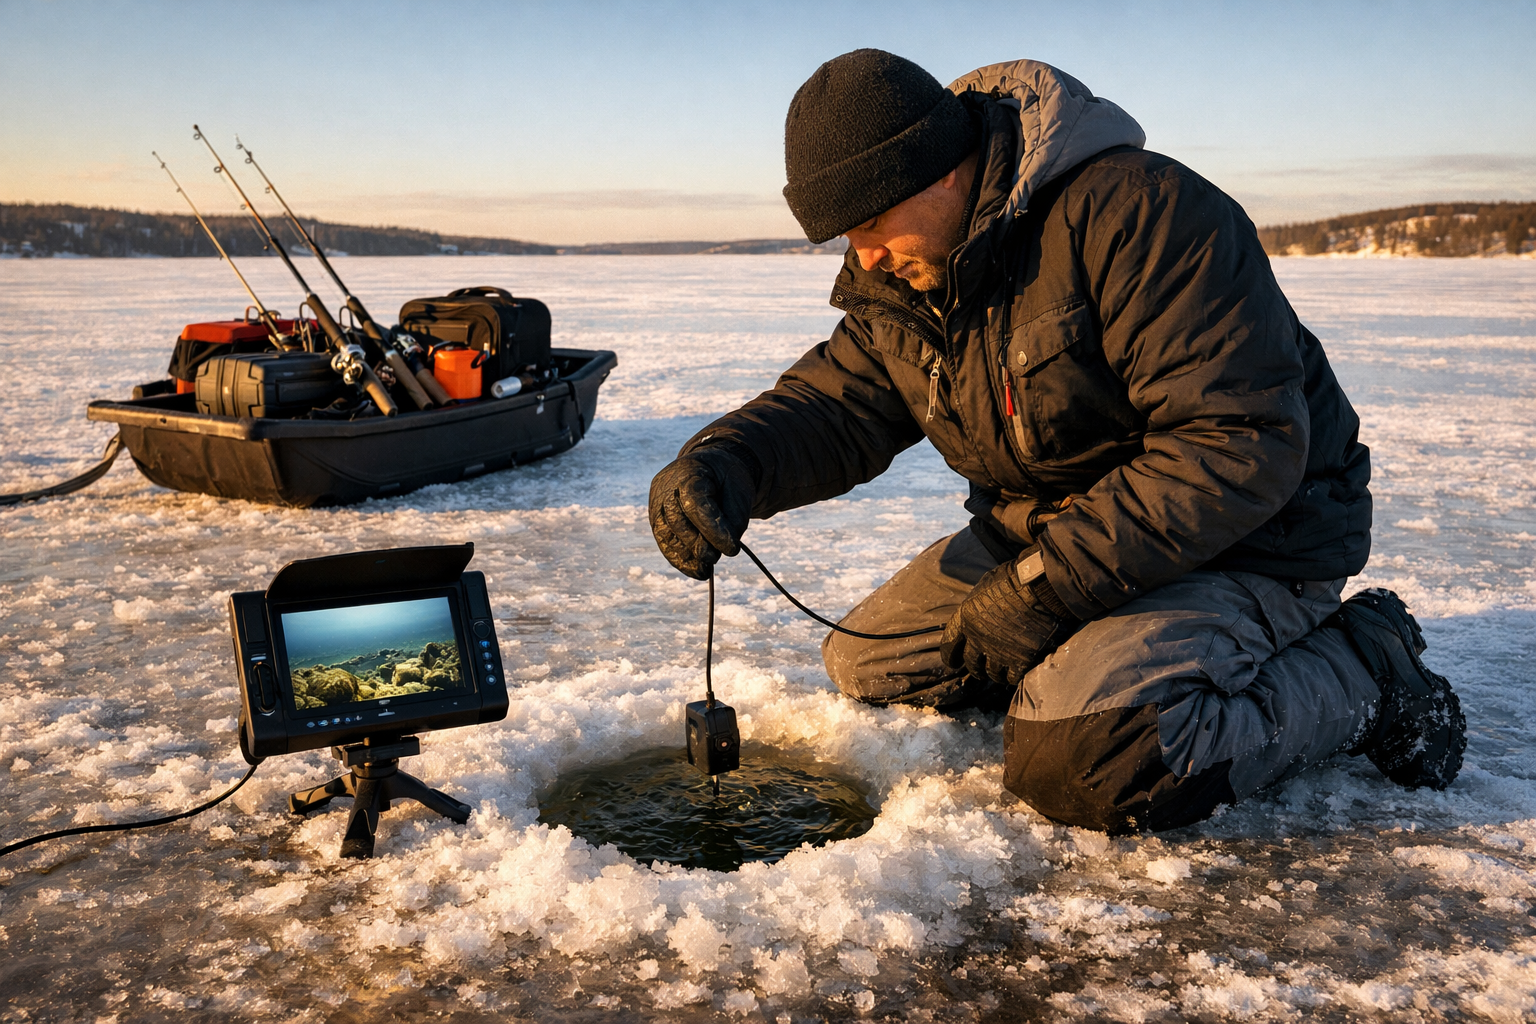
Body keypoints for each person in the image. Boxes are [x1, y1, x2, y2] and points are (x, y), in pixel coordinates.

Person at [647, 49, 1465, 833]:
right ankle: (1096, 650)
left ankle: (1365, 668)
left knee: (1089, 759)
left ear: (938, 170)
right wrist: (730, 463)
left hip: (1251, 540)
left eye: (869, 224)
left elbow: (1236, 444)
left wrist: (1044, 591)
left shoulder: (1141, 215)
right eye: (843, 240)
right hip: (1055, 536)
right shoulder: (913, 277)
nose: (864, 257)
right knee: (870, 664)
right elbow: (838, 404)